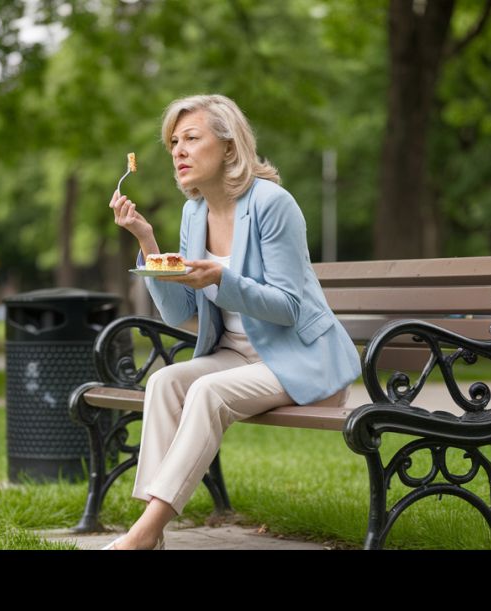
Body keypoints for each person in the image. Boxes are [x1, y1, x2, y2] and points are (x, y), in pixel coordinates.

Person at [103, 94, 360, 550]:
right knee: (165, 383)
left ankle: (142, 536)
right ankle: (152, 534)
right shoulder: (193, 211)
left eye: (191, 138)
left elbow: (288, 307)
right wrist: (146, 239)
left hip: (296, 358)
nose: (177, 150)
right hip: (236, 356)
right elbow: (179, 310)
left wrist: (223, 278)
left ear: (227, 146)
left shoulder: (272, 203)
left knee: (205, 391)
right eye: (173, 143)